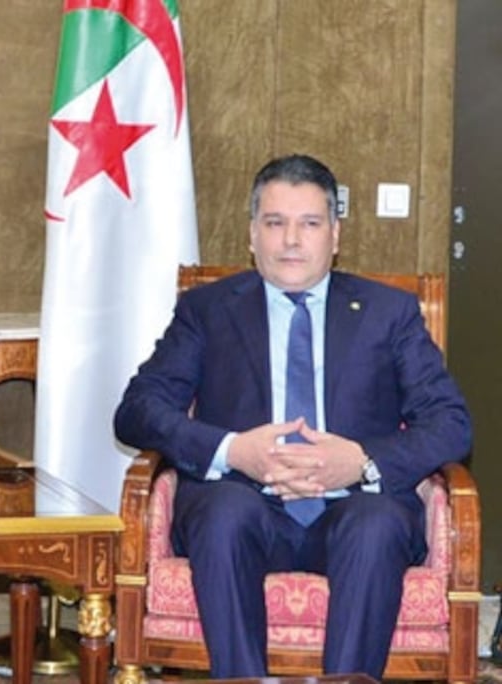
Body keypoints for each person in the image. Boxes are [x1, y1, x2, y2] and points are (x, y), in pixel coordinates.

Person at [113, 154, 471, 679]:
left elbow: (451, 422)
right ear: (252, 234)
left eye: (309, 223)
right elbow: (137, 410)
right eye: (275, 223)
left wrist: (363, 461)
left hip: (354, 508)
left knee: (376, 525)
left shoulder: (388, 313)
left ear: (335, 234)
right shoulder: (208, 310)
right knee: (222, 515)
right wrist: (234, 450)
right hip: (243, 503)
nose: (291, 241)